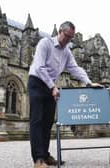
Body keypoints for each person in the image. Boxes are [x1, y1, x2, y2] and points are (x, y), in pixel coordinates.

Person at [27, 21, 103, 168]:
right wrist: (53, 86)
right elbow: (40, 67)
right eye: (67, 36)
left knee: (48, 122)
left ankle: (45, 155)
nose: (69, 40)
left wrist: (88, 82)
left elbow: (75, 68)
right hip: (36, 82)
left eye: (71, 38)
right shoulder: (45, 43)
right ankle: (38, 160)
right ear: (60, 32)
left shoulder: (67, 52)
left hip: (50, 86)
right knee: (36, 120)